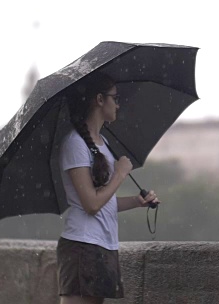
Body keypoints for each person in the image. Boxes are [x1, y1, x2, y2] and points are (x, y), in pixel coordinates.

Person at [56, 72, 159, 304]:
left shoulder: (104, 144)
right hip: (82, 245)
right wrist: (120, 174)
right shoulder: (75, 143)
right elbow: (91, 204)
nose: (118, 104)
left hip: (104, 244)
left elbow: (105, 202)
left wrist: (136, 201)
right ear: (100, 100)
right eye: (115, 97)